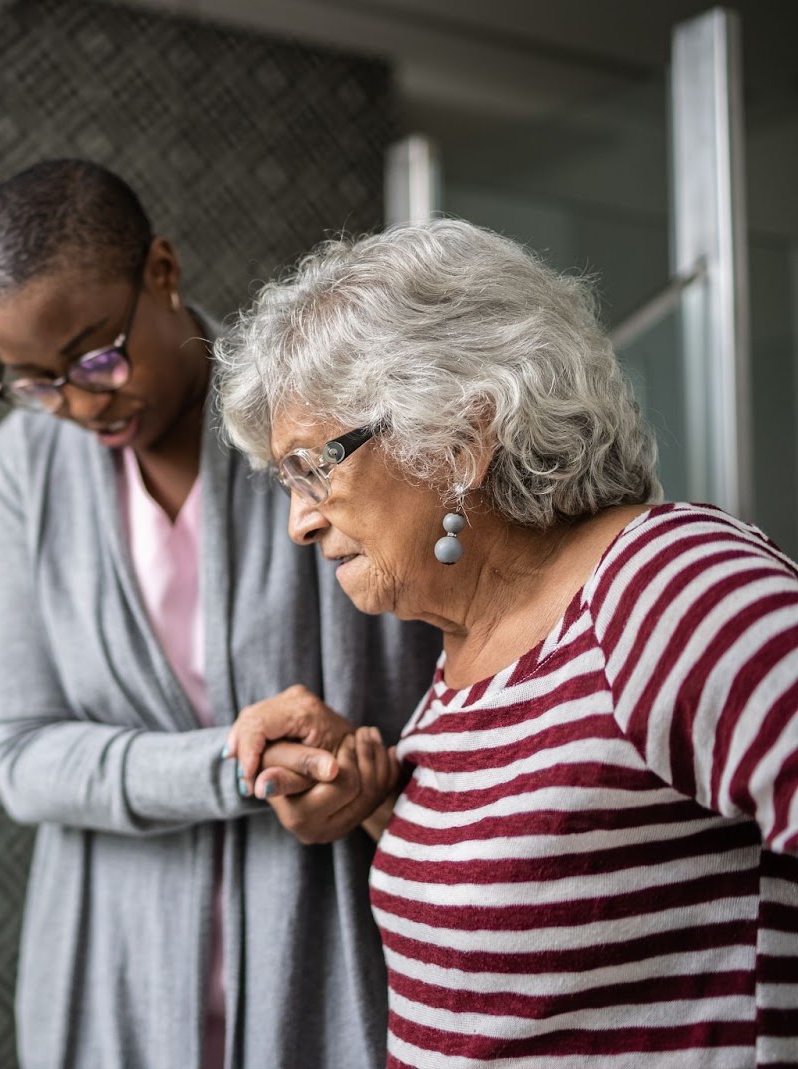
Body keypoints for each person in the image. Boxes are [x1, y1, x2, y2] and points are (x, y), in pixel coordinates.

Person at [216, 217, 798, 1067]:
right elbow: (558, 899)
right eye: (286, 481)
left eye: (315, 467)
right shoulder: (462, 655)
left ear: (461, 438)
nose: (300, 521)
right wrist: (376, 794)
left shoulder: (663, 585)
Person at [0, 158, 440, 1069]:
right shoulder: (16, 474)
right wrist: (240, 768)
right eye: (31, 381)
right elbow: (23, 753)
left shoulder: (318, 419)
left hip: (336, 936)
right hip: (108, 964)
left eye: (95, 356)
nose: (74, 403)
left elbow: (450, 667)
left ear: (162, 272)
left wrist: (361, 778)